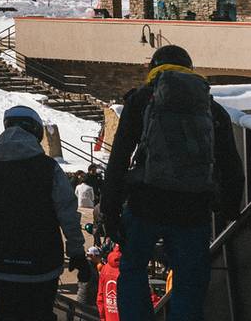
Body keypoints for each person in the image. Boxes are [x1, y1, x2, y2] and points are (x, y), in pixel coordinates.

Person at [100, 46, 242, 321]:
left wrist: (110, 209)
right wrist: (228, 210)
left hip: (145, 204)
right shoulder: (210, 107)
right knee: (189, 279)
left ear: (153, 68)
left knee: (132, 268)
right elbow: (231, 165)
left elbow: (118, 159)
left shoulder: (141, 100)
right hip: (193, 209)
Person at [0, 106, 88, 321]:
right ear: (36, 132)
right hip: (43, 263)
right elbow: (67, 213)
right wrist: (77, 252)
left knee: (8, 313)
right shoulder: (48, 167)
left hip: (0, 262)